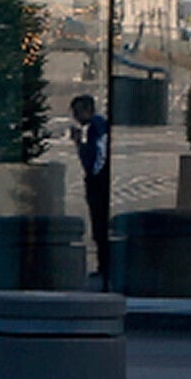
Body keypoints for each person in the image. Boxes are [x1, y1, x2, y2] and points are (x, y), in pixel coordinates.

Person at [73, 92, 114, 288]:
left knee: (99, 223)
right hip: (100, 181)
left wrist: (79, 145)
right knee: (99, 224)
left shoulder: (95, 128)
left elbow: (95, 158)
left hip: (98, 183)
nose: (76, 116)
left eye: (77, 111)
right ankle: (104, 263)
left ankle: (104, 264)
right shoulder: (99, 126)